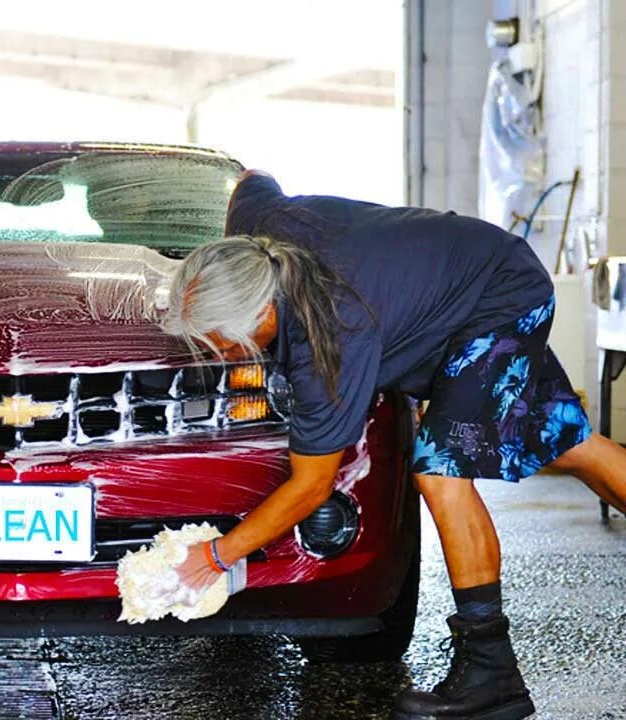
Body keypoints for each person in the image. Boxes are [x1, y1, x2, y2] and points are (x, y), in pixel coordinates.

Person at [165, 170, 626, 720]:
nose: (214, 353)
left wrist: (217, 556)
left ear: (262, 314)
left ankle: (491, 674)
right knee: (565, 441)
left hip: (496, 297)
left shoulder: (330, 342)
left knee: (438, 468)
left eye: (218, 341)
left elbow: (311, 486)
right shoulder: (254, 232)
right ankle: (492, 673)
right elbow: (251, 180)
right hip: (479, 271)